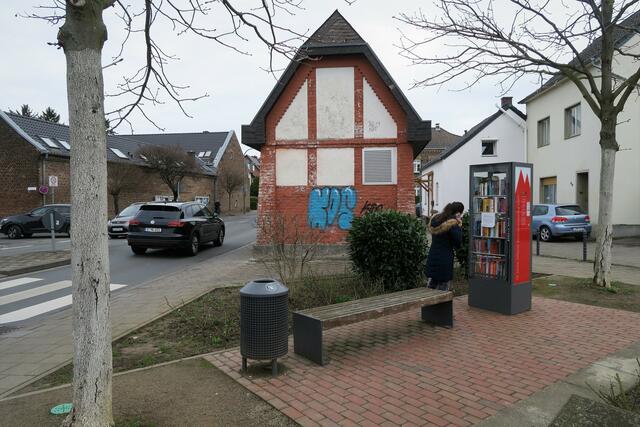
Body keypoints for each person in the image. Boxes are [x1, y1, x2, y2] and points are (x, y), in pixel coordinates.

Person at [425, 202, 464, 291]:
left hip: (433, 256)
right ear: (458, 212)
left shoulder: (436, 219)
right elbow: (458, 242)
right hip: (445, 259)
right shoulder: (453, 224)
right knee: (443, 290)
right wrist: (459, 225)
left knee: (430, 287)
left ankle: (429, 305)